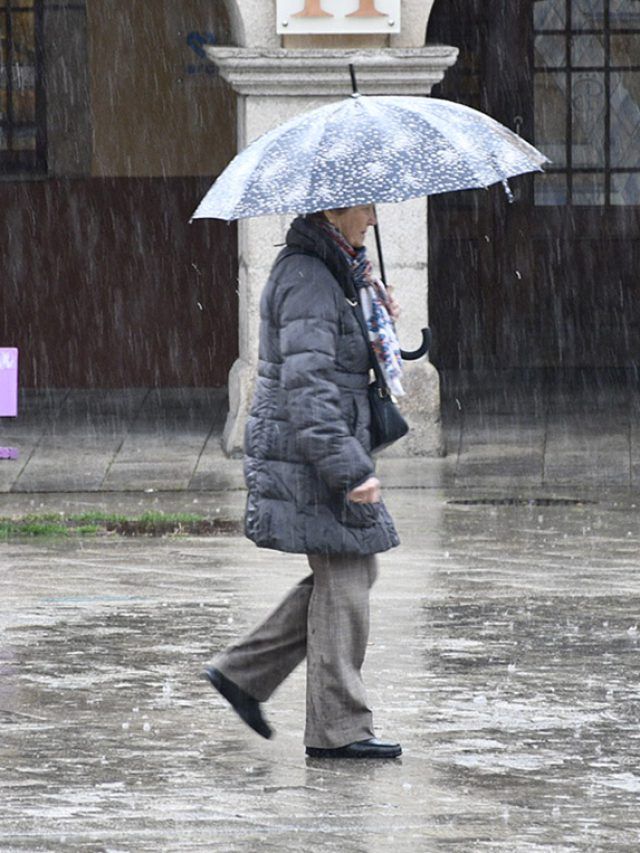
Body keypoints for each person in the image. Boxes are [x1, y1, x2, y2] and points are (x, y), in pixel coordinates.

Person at [202, 204, 404, 759]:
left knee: (353, 571)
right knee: (347, 575)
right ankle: (340, 729)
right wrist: (350, 470)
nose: (375, 221)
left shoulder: (336, 272)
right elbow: (309, 387)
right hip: (312, 455)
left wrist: (376, 315)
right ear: (336, 210)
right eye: (368, 208)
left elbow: (335, 361)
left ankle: (243, 674)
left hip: (317, 450)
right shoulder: (308, 277)